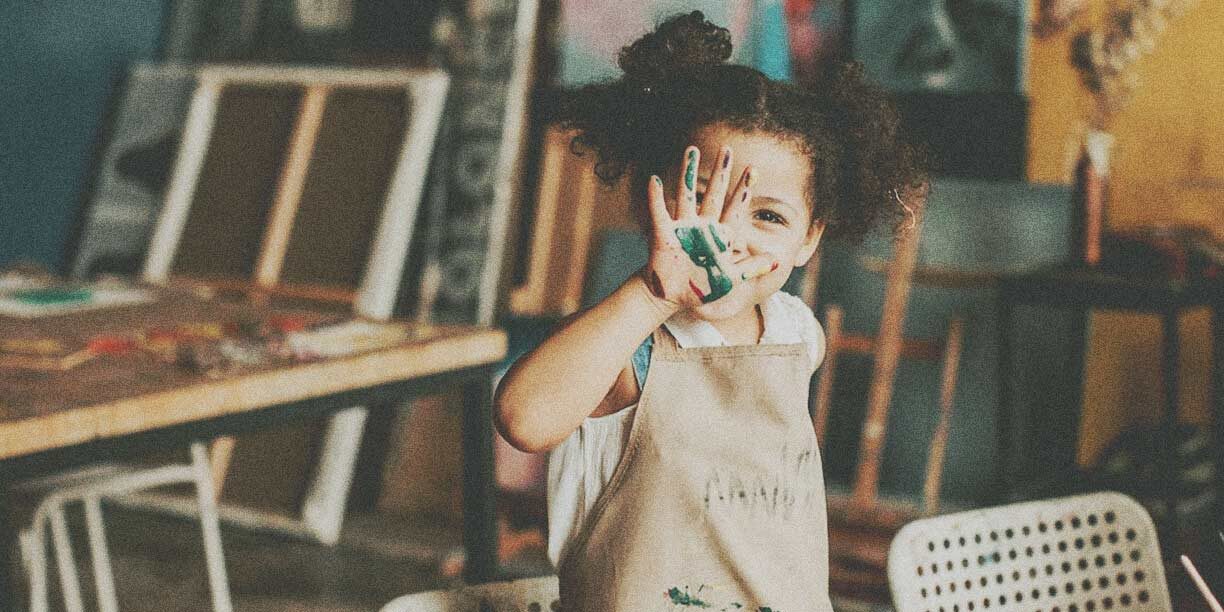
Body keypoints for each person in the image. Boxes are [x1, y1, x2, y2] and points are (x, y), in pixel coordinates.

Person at [495, 11, 925, 611]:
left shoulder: (795, 334)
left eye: (768, 216)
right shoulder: (632, 342)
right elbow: (523, 418)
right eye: (700, 203)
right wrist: (652, 292)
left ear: (809, 240)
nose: (728, 237)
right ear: (653, 203)